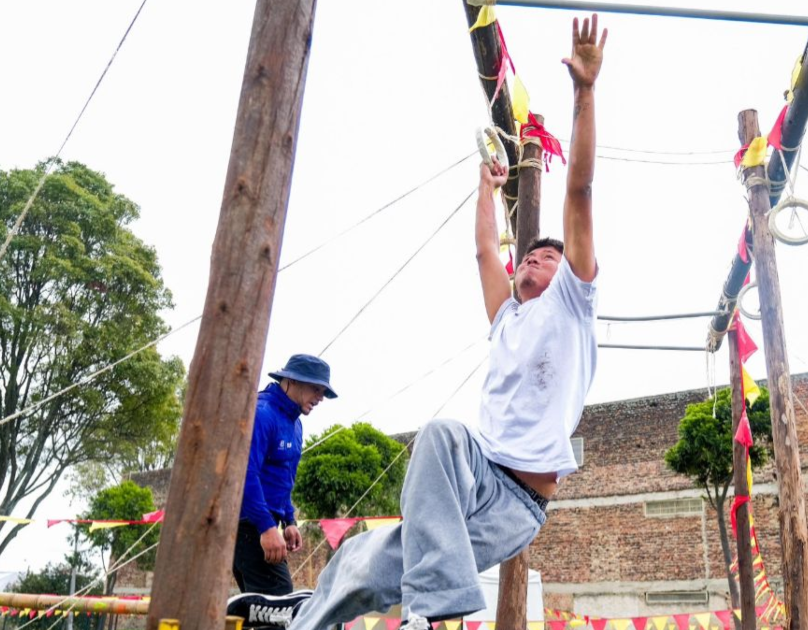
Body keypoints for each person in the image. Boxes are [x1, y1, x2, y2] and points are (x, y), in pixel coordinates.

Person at [227, 14, 608, 630]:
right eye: (529, 253)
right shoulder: (508, 315)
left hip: (516, 502)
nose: (534, 257)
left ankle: (428, 616)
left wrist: (584, 95)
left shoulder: (572, 304)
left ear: (565, 275)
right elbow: (487, 251)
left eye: (547, 255)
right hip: (473, 474)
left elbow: (581, 192)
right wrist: (485, 185)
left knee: (406, 555)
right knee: (368, 550)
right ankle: (303, 617)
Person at [233, 354, 338, 596]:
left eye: (323, 392)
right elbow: (245, 474)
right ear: (291, 381)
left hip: (263, 522)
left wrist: (289, 521)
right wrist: (267, 528)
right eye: (316, 389)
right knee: (278, 602)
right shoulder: (262, 414)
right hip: (248, 523)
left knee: (260, 609)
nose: (320, 398)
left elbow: (283, 480)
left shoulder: (295, 424)